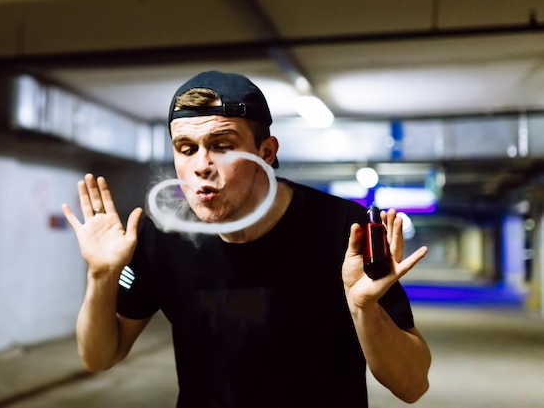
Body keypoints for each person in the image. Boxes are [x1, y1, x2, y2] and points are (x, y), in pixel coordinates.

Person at [62, 70, 431, 408]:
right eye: (186, 148)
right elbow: (99, 357)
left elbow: (411, 385)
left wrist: (365, 309)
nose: (201, 165)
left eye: (221, 145)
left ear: (266, 152)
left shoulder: (342, 230)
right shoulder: (160, 233)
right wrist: (101, 277)